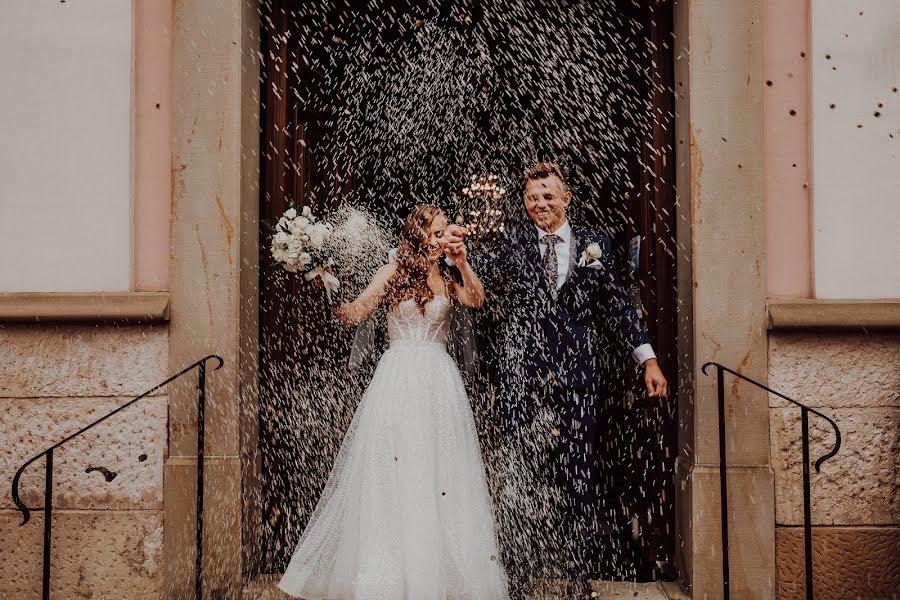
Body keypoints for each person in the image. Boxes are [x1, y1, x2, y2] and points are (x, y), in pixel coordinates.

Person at [444, 162, 668, 599]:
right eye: (532, 197)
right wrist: (452, 254)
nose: (539, 203)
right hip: (522, 380)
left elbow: (619, 308)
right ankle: (517, 578)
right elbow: (474, 272)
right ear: (524, 203)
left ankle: (578, 581)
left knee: (579, 479)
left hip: (578, 380)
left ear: (566, 198)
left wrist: (648, 359)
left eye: (548, 195)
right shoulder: (513, 243)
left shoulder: (595, 245)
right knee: (519, 478)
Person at [278, 204, 508, 600]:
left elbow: (476, 301)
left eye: (443, 233)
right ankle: (392, 576)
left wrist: (463, 262)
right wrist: (325, 284)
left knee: (441, 473)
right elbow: (354, 314)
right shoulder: (392, 272)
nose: (439, 240)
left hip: (439, 382)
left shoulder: (450, 275)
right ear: (417, 234)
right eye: (434, 233)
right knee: (396, 469)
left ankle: (442, 577)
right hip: (398, 380)